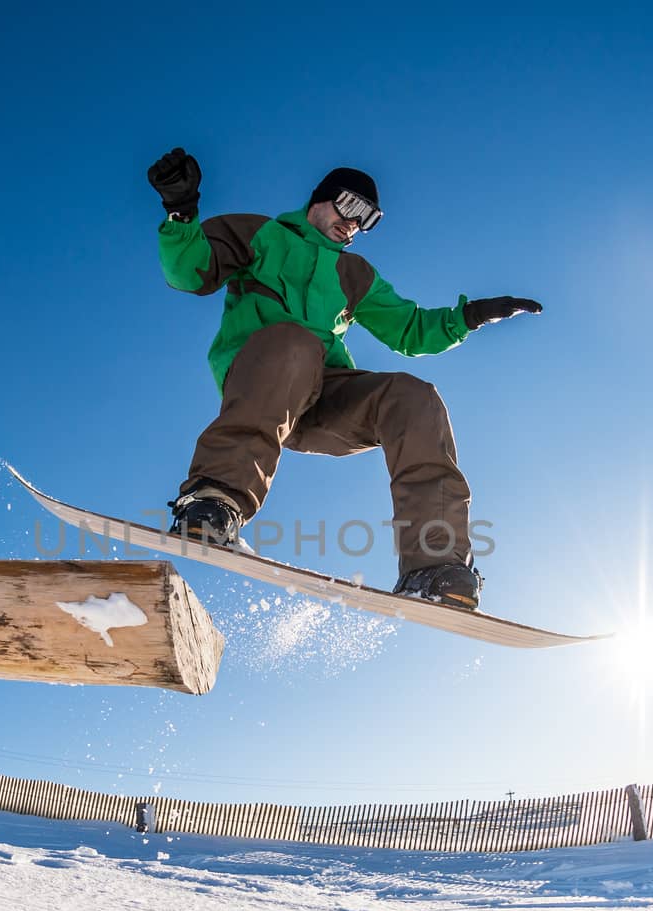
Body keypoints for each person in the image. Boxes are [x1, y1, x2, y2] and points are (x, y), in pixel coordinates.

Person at [148, 146, 541, 610]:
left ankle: (435, 565)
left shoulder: (355, 274)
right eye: (351, 208)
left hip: (324, 397)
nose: (354, 225)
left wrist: (470, 316)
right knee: (295, 343)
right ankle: (213, 502)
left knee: (415, 397)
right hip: (265, 380)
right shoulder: (264, 234)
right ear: (321, 199)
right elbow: (191, 272)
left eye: (368, 220)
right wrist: (181, 211)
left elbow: (411, 331)